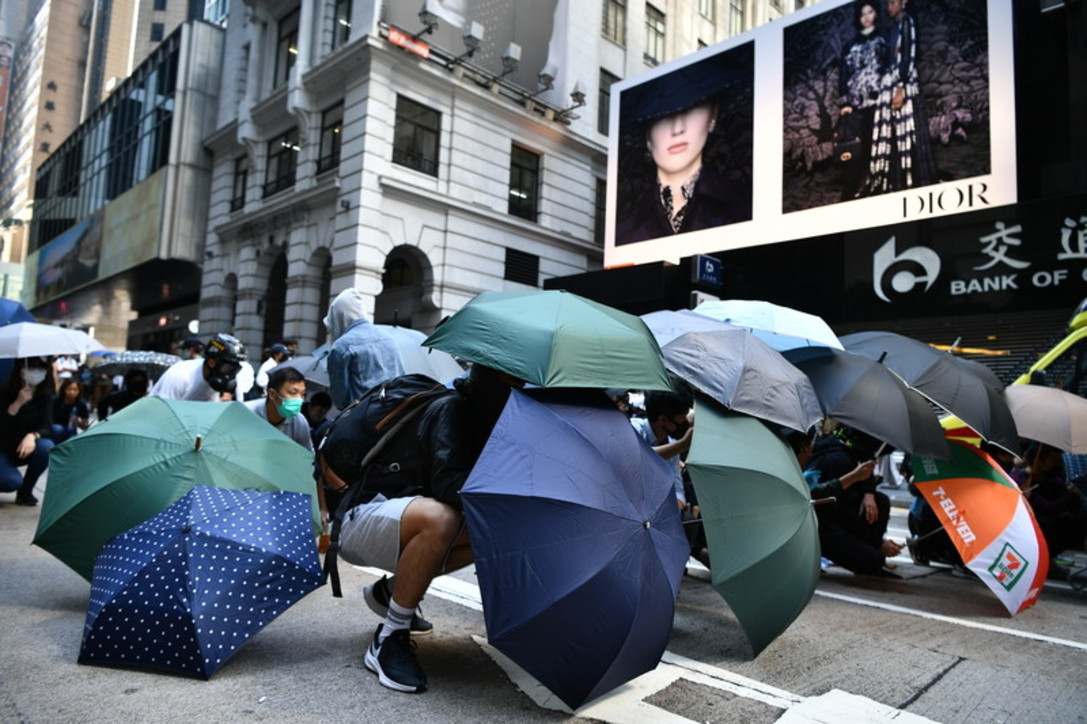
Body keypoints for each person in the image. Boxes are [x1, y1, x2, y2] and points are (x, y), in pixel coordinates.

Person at [334, 363, 520, 693]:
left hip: (398, 518)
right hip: (362, 516)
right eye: (510, 379)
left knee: (493, 536)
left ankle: (391, 592)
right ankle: (390, 636)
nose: (516, 387)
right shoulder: (452, 409)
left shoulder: (479, 416)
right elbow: (449, 485)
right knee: (443, 519)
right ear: (491, 380)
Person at [615, 58, 752, 245]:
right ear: (647, 135)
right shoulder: (625, 227)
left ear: (712, 117)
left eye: (691, 108)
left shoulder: (744, 206)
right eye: (662, 116)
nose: (677, 128)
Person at [800, 426, 903, 577]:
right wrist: (877, 544)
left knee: (880, 501)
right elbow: (842, 513)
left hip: (831, 516)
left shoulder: (842, 448)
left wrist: (869, 493)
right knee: (873, 560)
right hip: (820, 525)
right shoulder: (840, 462)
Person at [863, 0, 937, 194]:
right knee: (893, 134)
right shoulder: (895, 25)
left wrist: (900, 88)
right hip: (892, 82)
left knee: (907, 131)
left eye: (893, 3)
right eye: (888, 4)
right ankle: (896, 182)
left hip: (902, 83)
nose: (890, 7)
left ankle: (912, 181)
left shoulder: (906, 22)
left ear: (903, 3)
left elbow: (907, 55)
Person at [324, 288, 405, 410]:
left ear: (339, 316)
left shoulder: (341, 347)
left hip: (362, 417)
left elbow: (340, 400)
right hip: (394, 413)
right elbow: (402, 378)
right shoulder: (389, 338)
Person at [837, 0, 886, 200]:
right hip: (855, 104)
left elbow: (889, 67)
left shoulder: (884, 39)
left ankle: (877, 185)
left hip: (878, 101)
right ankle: (851, 190)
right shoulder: (850, 44)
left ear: (875, 13)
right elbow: (843, 74)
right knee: (854, 150)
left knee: (877, 145)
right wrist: (844, 103)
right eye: (862, 14)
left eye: (870, 12)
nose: (866, 17)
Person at [1012, 443, 1087, 564]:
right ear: (1039, 461)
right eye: (1053, 461)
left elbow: (1065, 501)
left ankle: (1047, 559)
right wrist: (1070, 497)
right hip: (1026, 526)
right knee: (1047, 523)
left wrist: (1073, 495)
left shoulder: (1052, 481)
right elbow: (1047, 507)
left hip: (1052, 523)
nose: (1057, 465)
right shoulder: (1020, 480)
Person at [0, 357, 56, 505]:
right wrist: (17, 404)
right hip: (3, 448)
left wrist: (33, 435)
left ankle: (26, 492)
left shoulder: (45, 396)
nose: (36, 373)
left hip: (25, 448)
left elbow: (47, 426)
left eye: (40, 369)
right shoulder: (5, 391)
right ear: (21, 370)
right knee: (10, 482)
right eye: (31, 368)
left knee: (46, 446)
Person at [150, 333, 247, 401]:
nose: (230, 374)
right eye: (228, 368)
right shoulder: (180, 375)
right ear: (212, 363)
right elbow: (163, 411)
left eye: (235, 369)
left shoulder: (219, 381)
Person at [243, 367, 313, 451]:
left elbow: (307, 458)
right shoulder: (244, 413)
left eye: (302, 394)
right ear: (272, 394)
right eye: (292, 393)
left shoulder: (299, 423)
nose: (299, 399)